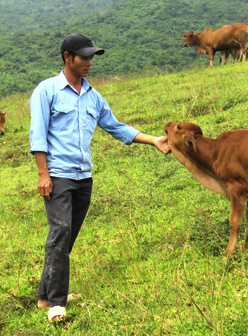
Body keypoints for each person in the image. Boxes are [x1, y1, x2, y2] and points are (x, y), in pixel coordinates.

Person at [28, 32, 170, 322]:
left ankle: (46, 296)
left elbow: (116, 127)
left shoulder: (93, 96)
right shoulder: (47, 91)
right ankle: (57, 304)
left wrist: (153, 140)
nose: (90, 62)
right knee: (60, 233)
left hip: (83, 177)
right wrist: (43, 174)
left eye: (92, 57)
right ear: (68, 58)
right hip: (57, 176)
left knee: (66, 237)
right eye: (84, 57)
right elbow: (38, 135)